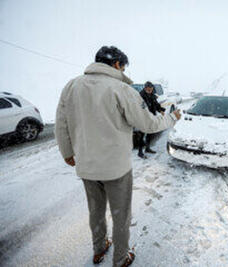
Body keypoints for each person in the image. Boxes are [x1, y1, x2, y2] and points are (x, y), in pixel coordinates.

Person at [55, 46, 181, 267]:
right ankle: (121, 259)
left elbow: (61, 123)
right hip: (116, 169)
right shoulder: (122, 90)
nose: (124, 69)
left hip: (86, 166)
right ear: (116, 64)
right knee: (120, 215)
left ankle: (100, 247)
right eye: (123, 65)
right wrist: (171, 118)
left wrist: (67, 152)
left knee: (95, 211)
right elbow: (148, 124)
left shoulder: (71, 86)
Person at [137, 81, 166, 159]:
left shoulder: (152, 95)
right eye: (148, 89)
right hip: (143, 118)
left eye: (151, 89)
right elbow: (139, 107)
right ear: (145, 88)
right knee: (142, 135)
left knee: (150, 133)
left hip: (151, 117)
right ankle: (140, 152)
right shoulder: (140, 96)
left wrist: (161, 110)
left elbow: (156, 104)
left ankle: (147, 148)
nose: (150, 90)